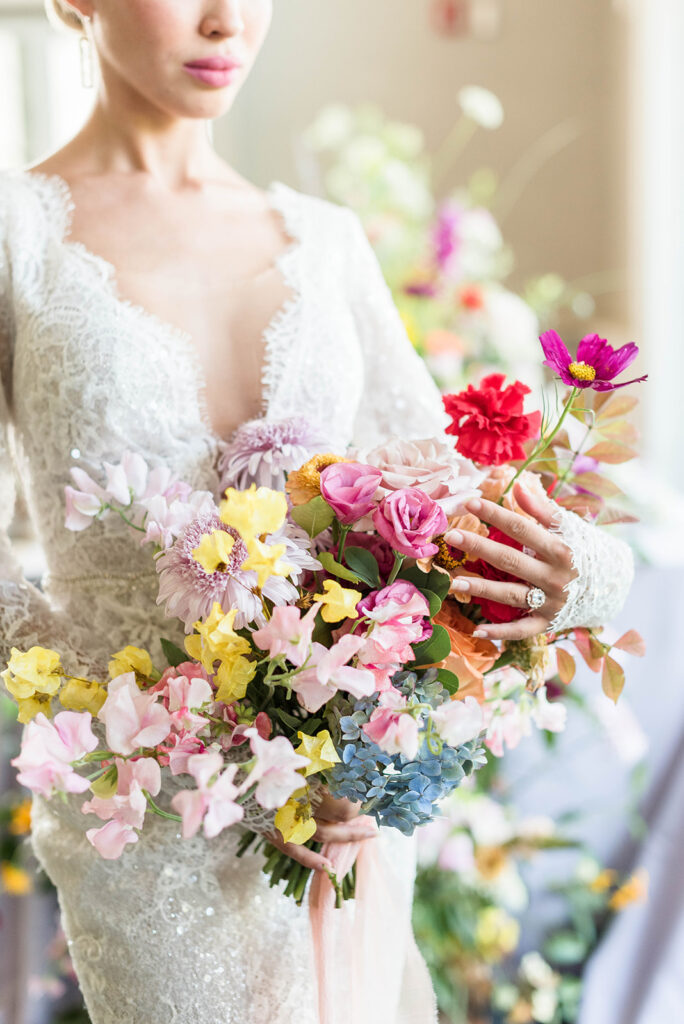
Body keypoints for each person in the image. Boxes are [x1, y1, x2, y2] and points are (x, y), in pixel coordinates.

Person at [0, 1, 634, 1021]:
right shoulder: (15, 234)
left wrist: (582, 576)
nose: (225, 20)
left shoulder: (323, 242)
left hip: (345, 807)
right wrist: (143, 723)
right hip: (152, 828)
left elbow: (448, 498)